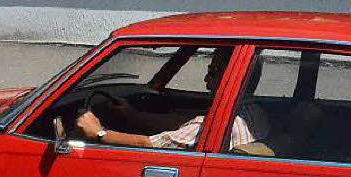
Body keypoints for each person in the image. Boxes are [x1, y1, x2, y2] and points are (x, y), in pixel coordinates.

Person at [73, 47, 267, 150]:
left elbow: (153, 143)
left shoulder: (216, 125)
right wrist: (133, 115)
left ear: (231, 77)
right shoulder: (256, 111)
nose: (206, 78)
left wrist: (98, 133)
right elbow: (182, 125)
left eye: (213, 71)